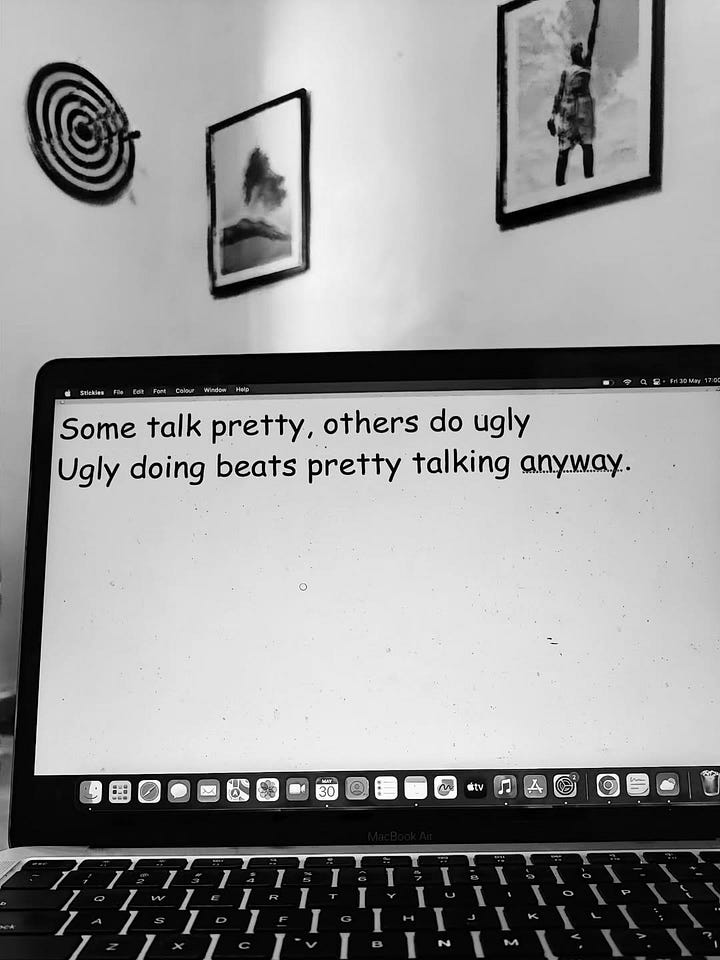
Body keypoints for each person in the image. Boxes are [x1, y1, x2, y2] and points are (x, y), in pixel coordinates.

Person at [547, 0, 601, 187]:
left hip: (584, 112)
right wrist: (552, 116)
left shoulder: (586, 65)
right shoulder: (567, 72)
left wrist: (597, 9)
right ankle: (558, 187)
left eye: (581, 48)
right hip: (568, 114)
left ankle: (589, 184)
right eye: (577, 48)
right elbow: (558, 94)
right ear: (572, 53)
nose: (580, 50)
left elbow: (592, 36)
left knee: (587, 148)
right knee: (563, 153)